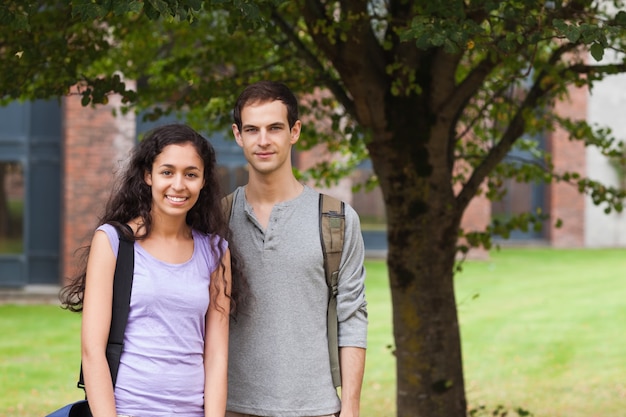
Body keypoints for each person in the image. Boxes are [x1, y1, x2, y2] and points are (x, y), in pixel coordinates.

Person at [61, 123, 243, 417]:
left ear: (204, 181)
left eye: (191, 174)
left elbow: (217, 355)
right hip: (127, 410)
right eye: (167, 172)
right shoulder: (113, 242)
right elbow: (92, 352)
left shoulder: (216, 252)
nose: (179, 185)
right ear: (148, 175)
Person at [225, 81, 368, 417]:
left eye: (275, 128)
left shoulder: (337, 219)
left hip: (315, 408)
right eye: (252, 129)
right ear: (237, 135)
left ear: (295, 131)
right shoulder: (217, 219)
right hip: (231, 407)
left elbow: (353, 316)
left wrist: (351, 408)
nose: (263, 140)